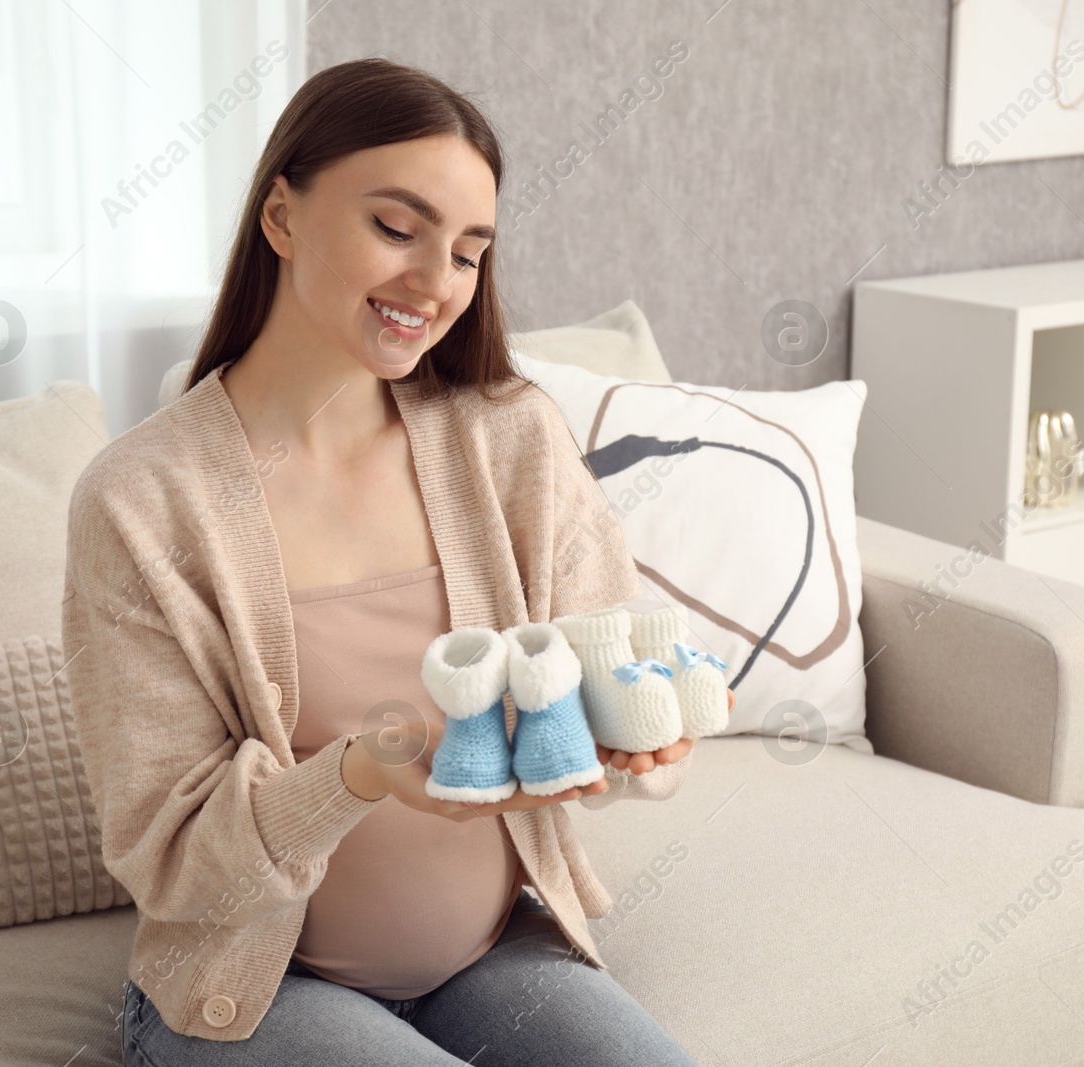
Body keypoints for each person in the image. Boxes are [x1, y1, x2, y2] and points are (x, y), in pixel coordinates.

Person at [61, 57, 730, 1066]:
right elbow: (172, 857)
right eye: (395, 227)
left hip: (493, 956)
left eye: (468, 251)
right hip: (256, 988)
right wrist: (363, 768)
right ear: (281, 217)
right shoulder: (142, 499)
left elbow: (605, 703)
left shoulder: (510, 438)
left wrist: (640, 752)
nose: (435, 283)